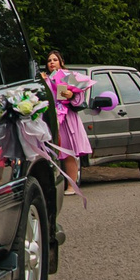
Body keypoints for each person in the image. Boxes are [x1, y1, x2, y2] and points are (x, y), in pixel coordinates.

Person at [42, 49, 92, 190]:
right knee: (52, 154)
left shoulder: (68, 77)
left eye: (55, 60)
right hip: (51, 119)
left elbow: (76, 101)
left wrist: (70, 95)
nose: (52, 62)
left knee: (69, 153)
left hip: (67, 119)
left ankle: (71, 186)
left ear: (61, 62)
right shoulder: (44, 79)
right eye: (49, 60)